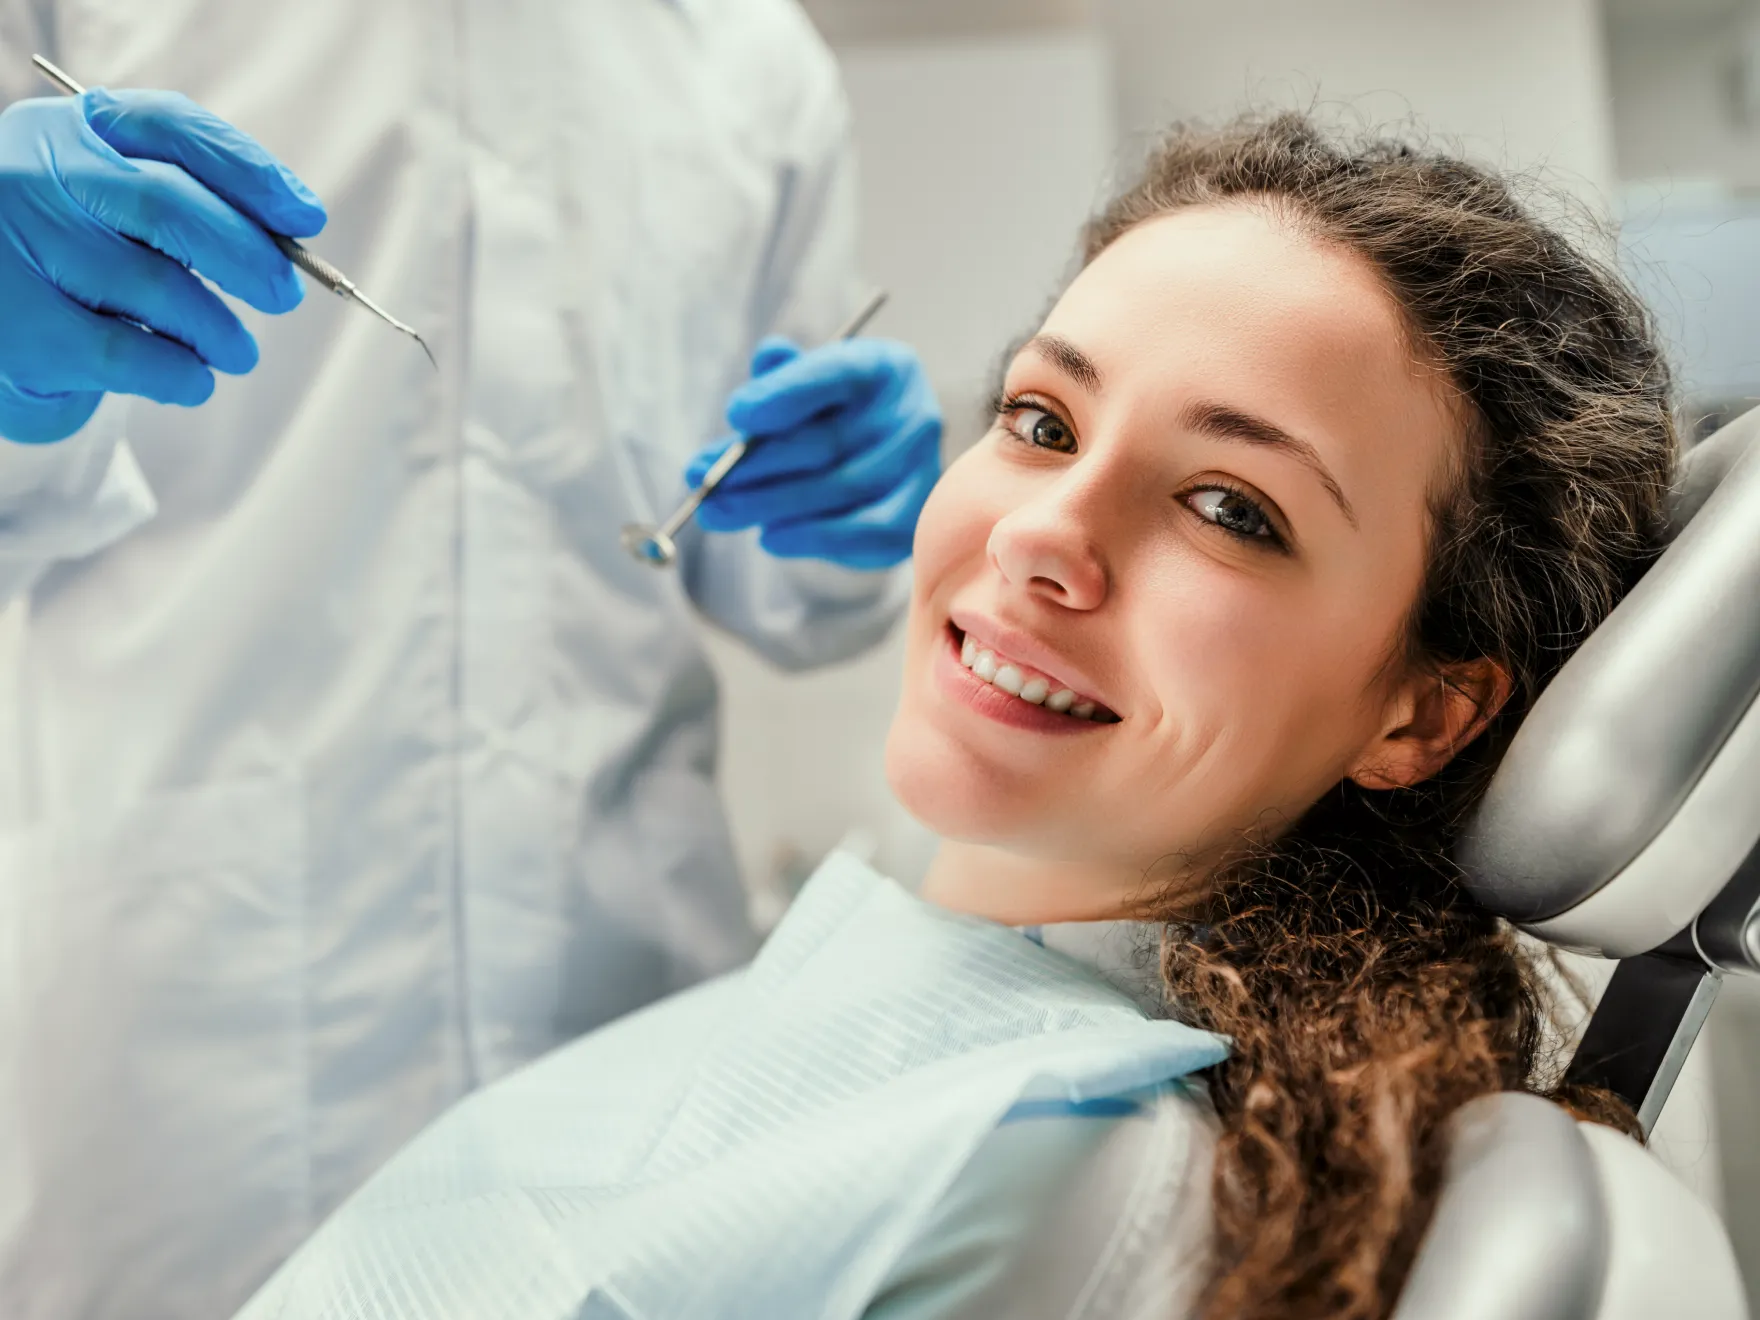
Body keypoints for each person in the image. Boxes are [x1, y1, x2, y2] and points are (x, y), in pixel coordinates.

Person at [219, 113, 1682, 1320]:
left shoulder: (1038, 1187)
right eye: (1042, 421)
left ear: (1424, 714)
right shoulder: (929, 1057)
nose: (1045, 530)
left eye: (1232, 509)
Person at [0, 5, 941, 1319]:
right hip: (185, 1077)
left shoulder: (749, 54)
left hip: (628, 1014)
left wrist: (847, 506)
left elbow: (787, 592)